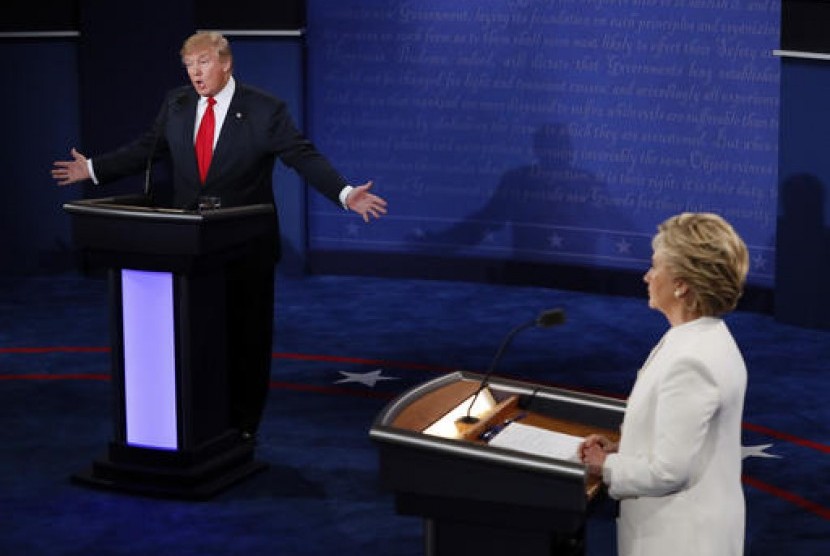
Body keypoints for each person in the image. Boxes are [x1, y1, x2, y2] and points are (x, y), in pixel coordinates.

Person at [51, 31, 388, 441]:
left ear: (226, 64)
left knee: (247, 340)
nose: (195, 73)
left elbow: (302, 156)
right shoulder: (176, 105)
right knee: (200, 339)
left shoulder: (264, 109)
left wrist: (346, 192)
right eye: (189, 65)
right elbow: (146, 150)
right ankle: (202, 421)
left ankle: (244, 426)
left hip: (245, 248)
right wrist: (95, 170)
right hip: (190, 248)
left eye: (203, 62)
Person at [579, 212, 749, 555]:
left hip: (679, 540)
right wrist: (622, 449)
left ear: (682, 284)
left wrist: (604, 465)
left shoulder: (691, 360)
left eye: (655, 266)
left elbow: (670, 471)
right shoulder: (703, 337)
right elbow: (686, 440)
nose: (647, 276)